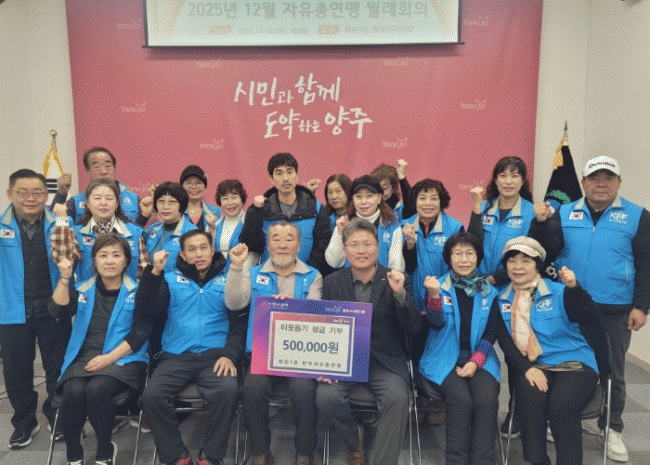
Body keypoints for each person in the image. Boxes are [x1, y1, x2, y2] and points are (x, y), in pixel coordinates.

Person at [529, 156, 650, 462]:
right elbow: (547, 251)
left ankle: (612, 427)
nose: (601, 184)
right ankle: (558, 417)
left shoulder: (638, 216)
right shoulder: (564, 212)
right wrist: (540, 223)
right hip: (569, 306)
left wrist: (641, 306)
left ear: (619, 183)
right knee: (562, 362)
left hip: (614, 308)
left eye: (608, 178)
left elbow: (646, 264)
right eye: (594, 178)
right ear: (583, 183)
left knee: (613, 370)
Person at [316, 218, 421, 465]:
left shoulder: (397, 279)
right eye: (354, 245)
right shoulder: (332, 282)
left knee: (397, 398)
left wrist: (400, 295)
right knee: (325, 398)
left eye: (367, 244)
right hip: (345, 362)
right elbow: (323, 327)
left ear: (377, 248)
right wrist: (323, 365)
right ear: (345, 250)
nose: (361, 251)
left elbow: (414, 326)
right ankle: (355, 442)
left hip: (385, 363)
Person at [137, 229, 247, 465]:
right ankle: (176, 455)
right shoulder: (169, 280)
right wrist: (154, 272)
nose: (199, 254)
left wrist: (230, 355)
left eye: (203, 248)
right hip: (175, 356)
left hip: (216, 357)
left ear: (212, 250)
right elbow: (147, 309)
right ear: (183, 255)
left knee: (228, 391)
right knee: (151, 396)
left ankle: (211, 455)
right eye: (192, 249)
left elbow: (239, 324)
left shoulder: (229, 279)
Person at [495, 236, 603, 465]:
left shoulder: (561, 291)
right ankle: (538, 461)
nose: (518, 266)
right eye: (512, 260)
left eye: (526, 260)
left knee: (561, 406)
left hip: (574, 362)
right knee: (529, 398)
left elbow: (593, 318)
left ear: (538, 265)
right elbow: (504, 342)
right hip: (535, 364)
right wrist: (526, 369)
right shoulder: (501, 299)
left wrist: (575, 288)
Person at [226, 221, 322, 465]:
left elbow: (315, 317)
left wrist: (291, 307)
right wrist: (236, 267)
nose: (282, 244)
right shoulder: (252, 273)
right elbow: (234, 304)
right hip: (262, 354)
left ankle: (304, 451)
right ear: (267, 245)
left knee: (304, 393)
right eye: (276, 238)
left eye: (289, 238)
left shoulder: (313, 275)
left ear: (298, 245)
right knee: (252, 391)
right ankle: (260, 451)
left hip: (299, 356)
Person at [50, 235, 151, 465]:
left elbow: (140, 334)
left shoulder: (139, 291)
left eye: (116, 255)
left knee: (97, 388)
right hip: (84, 356)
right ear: (94, 261)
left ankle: (105, 452)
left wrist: (109, 358)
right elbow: (57, 310)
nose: (110, 261)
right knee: (73, 389)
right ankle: (73, 455)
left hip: (125, 357)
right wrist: (65, 278)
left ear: (126, 261)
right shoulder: (82, 288)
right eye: (103, 255)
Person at [0, 169, 72, 448]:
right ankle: (24, 423)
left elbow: (71, 257)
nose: (31, 198)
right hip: (12, 311)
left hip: (53, 308)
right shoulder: (2, 227)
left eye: (38, 192)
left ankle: (57, 416)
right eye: (23, 192)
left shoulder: (60, 223)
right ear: (10, 194)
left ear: (46, 195)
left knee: (58, 368)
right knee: (16, 373)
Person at [419, 232, 501, 465]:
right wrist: (434, 296)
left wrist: (476, 361)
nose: (464, 259)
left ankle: (483, 460)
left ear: (478, 257)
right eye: (458, 254)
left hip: (480, 358)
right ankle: (456, 461)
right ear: (449, 258)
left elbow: (491, 333)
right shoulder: (438, 286)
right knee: (461, 399)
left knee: (487, 398)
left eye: (469, 253)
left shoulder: (489, 291)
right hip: (443, 357)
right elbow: (436, 324)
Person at [239, 152, 332, 275]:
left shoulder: (316, 208)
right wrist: (254, 212)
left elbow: (323, 246)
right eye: (279, 173)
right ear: (272, 179)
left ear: (296, 176)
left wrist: (307, 273)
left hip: (306, 276)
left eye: (289, 172)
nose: (285, 178)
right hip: (270, 277)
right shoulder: (261, 208)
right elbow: (251, 245)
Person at [52, 178, 149, 282]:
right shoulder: (77, 233)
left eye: (109, 198)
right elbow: (62, 261)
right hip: (87, 292)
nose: (103, 203)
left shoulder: (134, 233)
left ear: (117, 203)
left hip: (126, 292)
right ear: (87, 203)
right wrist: (61, 221)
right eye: (97, 198)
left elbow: (144, 275)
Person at [468, 156, 535, 287]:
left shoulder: (531, 212)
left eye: (514, 176)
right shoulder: (482, 206)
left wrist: (495, 279)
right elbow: (471, 242)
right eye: (503, 176)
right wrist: (476, 208)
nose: (508, 182)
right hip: (478, 282)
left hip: (512, 284)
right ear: (496, 180)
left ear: (522, 181)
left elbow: (530, 255)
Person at [325, 175, 405, 272]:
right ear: (353, 198)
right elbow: (333, 262)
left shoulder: (392, 227)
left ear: (379, 198)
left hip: (383, 280)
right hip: (350, 280)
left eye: (369, 196)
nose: (363, 201)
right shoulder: (344, 224)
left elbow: (396, 266)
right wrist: (339, 234)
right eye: (358, 196)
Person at [51, 146, 140, 222]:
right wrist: (61, 194)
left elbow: (139, 231)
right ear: (87, 171)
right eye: (97, 167)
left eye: (108, 166)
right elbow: (53, 227)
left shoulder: (134, 199)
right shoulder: (76, 202)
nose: (104, 172)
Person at [144, 182, 197, 273]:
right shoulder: (153, 229)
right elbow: (133, 244)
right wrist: (143, 216)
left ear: (182, 205)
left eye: (172, 202)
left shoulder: (193, 233)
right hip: (151, 280)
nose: (166, 207)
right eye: (161, 201)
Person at [206, 179, 258, 271]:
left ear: (242, 200)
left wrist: (236, 275)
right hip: (217, 277)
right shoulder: (213, 225)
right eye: (225, 198)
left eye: (234, 197)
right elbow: (207, 254)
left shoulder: (252, 224)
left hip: (241, 276)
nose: (230, 203)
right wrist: (212, 230)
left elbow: (254, 256)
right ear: (220, 202)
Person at [180, 165, 221, 230]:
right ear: (182, 186)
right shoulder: (176, 211)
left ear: (205, 186)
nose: (193, 187)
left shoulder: (216, 212)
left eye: (198, 183)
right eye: (189, 183)